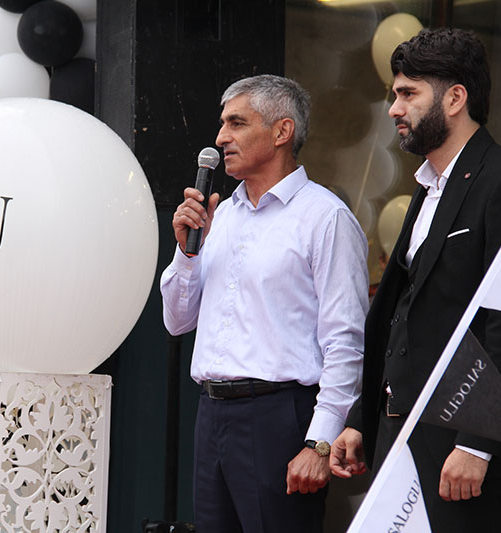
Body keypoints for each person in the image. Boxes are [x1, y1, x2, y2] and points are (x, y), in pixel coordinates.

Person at [330, 28, 501, 532]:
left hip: (459, 451)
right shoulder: (426, 186)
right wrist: (362, 417)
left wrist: (477, 444)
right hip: (397, 439)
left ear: (455, 98)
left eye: (407, 93)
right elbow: (404, 314)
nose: (394, 109)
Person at [160, 75, 369, 532]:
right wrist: (186, 253)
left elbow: (346, 340)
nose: (221, 137)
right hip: (212, 414)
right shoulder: (221, 216)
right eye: (222, 124)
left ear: (281, 131)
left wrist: (319, 442)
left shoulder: (324, 216)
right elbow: (177, 322)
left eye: (237, 123)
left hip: (280, 415)